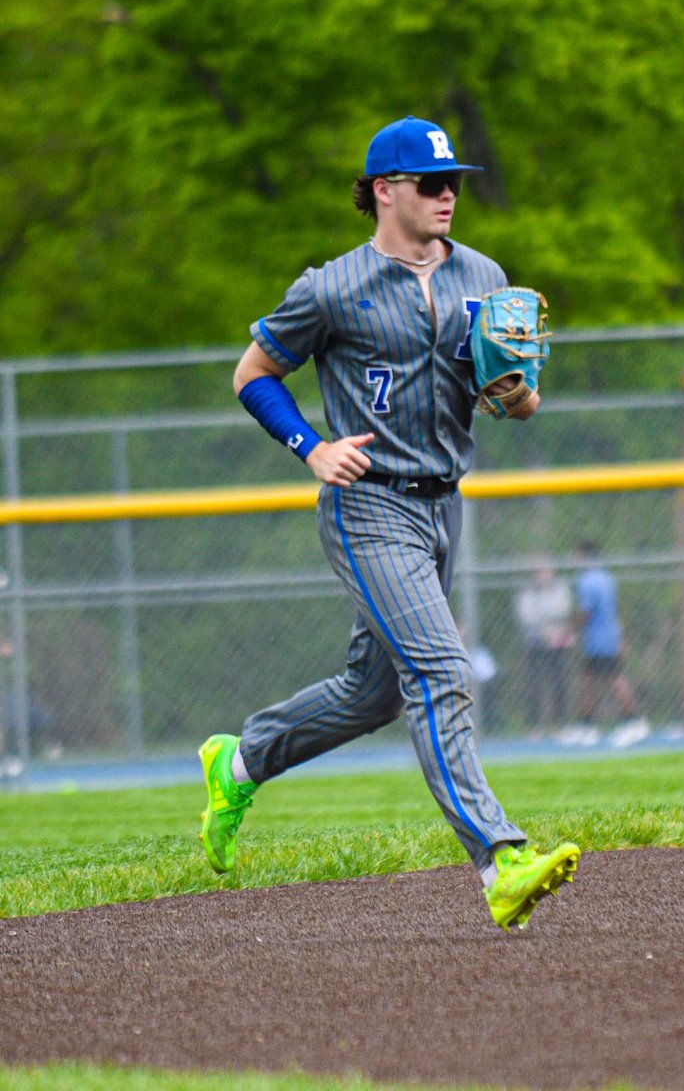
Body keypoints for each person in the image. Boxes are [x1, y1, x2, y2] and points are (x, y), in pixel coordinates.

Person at [198, 114, 579, 930]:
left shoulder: (483, 274)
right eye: (431, 183)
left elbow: (517, 399)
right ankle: (500, 859)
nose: (448, 195)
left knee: (373, 694)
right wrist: (309, 446)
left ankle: (242, 760)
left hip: (444, 504)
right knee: (443, 672)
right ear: (383, 191)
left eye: (455, 183)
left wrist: (517, 395)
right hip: (369, 505)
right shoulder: (330, 287)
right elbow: (252, 372)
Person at [573, 539, 649, 746]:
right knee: (588, 680)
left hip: (600, 639)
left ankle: (635, 720)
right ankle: (587, 725)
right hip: (605, 637)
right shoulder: (607, 578)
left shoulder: (588, 581)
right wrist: (621, 635)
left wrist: (571, 630)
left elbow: (586, 612)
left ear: (583, 556)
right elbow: (615, 610)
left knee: (615, 679)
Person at [513, 558, 575, 735]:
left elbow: (564, 609)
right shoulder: (527, 593)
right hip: (537, 643)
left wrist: (553, 630)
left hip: (558, 642)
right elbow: (527, 617)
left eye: (547, 571)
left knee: (560, 683)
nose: (543, 576)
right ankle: (535, 726)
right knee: (535, 685)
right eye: (540, 572)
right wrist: (545, 631)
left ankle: (563, 725)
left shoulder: (560, 589)